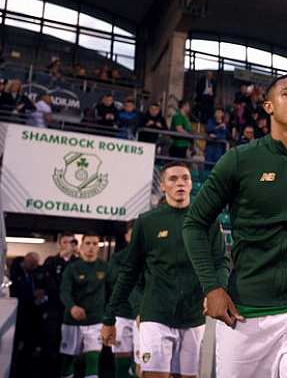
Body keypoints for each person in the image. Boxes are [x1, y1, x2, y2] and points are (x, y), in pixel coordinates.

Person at [183, 74, 287, 378]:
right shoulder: (240, 160)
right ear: (268, 106)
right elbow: (195, 223)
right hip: (245, 315)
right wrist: (212, 286)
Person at [102, 162, 225, 378]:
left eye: (185, 178)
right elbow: (129, 273)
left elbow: (221, 262)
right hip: (155, 315)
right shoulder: (147, 222)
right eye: (173, 179)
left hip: (194, 316)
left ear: (191, 185)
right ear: (162, 185)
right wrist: (109, 318)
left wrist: (216, 290)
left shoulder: (209, 220)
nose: (180, 183)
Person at [60, 232, 108, 378]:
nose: (91, 247)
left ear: (99, 248)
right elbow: (64, 291)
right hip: (72, 321)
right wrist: (72, 307)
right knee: (67, 361)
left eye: (95, 244)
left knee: (93, 359)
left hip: (96, 321)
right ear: (81, 246)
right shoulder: (72, 268)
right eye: (88, 243)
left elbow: (114, 291)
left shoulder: (105, 267)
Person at [42, 232, 80, 375]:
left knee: (69, 344)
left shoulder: (78, 262)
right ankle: (48, 371)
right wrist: (60, 259)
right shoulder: (51, 261)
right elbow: (44, 281)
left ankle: (66, 372)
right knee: (51, 340)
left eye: (71, 242)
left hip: (70, 310)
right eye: (65, 242)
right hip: (54, 308)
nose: (68, 246)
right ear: (59, 244)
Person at [105, 224, 137, 378]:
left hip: (144, 315)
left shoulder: (151, 256)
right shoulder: (118, 258)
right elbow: (114, 282)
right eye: (133, 232)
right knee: (121, 356)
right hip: (122, 314)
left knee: (142, 358)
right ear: (126, 236)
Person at [9, 252, 45, 377]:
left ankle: (24, 370)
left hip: (30, 316)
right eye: (32, 264)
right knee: (14, 346)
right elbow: (14, 294)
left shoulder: (32, 274)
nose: (34, 267)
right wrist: (32, 295)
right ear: (26, 261)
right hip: (17, 315)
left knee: (28, 346)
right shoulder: (14, 274)